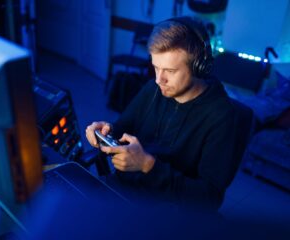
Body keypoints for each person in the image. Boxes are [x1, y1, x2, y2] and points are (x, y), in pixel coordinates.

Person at [85, 17, 253, 211]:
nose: (158, 79)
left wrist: (148, 166)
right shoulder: (154, 88)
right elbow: (123, 126)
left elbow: (209, 198)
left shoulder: (222, 117)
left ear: (199, 66)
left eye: (170, 71)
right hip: (124, 192)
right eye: (155, 67)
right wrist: (107, 130)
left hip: (168, 212)